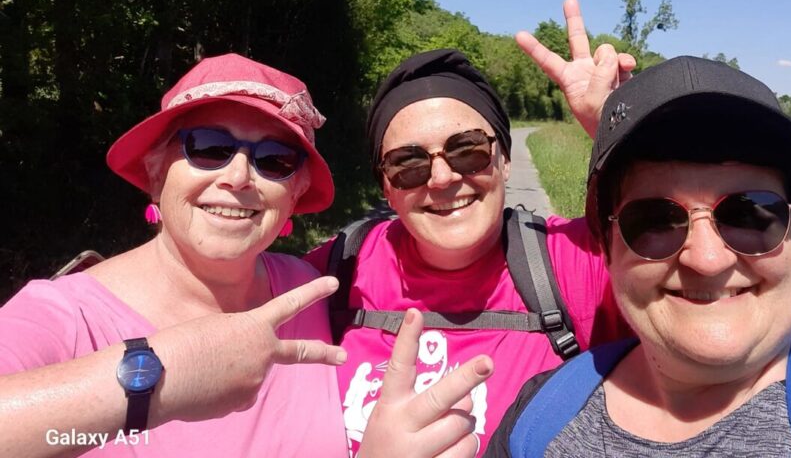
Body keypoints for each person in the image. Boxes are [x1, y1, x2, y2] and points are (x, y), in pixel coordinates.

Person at [0, 54, 489, 458]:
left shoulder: (307, 291)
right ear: (154, 172)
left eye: (274, 159)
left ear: (295, 193)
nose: (237, 177)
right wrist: (159, 373)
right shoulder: (62, 315)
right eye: (208, 147)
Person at [488, 55, 791, 457]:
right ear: (607, 254)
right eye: (653, 222)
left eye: (750, 215)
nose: (707, 259)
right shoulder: (540, 415)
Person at [305, 1, 638, 456]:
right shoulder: (340, 269)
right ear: (385, 185)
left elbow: (716, 262)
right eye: (408, 163)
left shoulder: (569, 263)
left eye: (467, 151)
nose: (442, 178)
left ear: (503, 160)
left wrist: (627, 139)